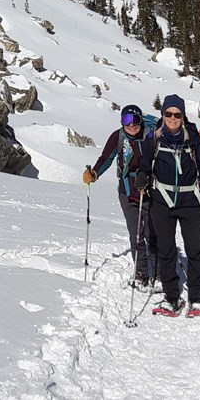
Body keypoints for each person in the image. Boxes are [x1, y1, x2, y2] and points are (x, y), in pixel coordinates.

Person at [135, 93, 200, 316]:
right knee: (166, 250)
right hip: (162, 199)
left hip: (190, 201)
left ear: (183, 116)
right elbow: (145, 164)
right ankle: (171, 298)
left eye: (177, 114)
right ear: (163, 115)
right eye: (168, 114)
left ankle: (197, 298)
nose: (172, 118)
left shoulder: (193, 138)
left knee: (194, 250)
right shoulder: (154, 138)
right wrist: (142, 177)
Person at [83, 104, 157, 288]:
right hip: (127, 193)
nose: (131, 126)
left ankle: (159, 274)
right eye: (126, 121)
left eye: (135, 121)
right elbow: (106, 159)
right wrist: (95, 173)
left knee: (153, 234)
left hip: (151, 193)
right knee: (136, 235)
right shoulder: (118, 137)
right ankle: (141, 273)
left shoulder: (150, 135)